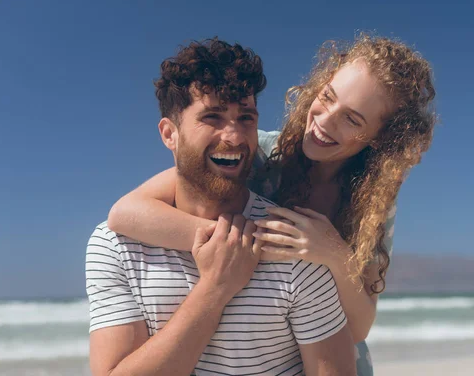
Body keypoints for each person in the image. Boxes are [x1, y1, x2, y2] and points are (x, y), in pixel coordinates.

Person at [108, 34, 437, 375]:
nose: (325, 121)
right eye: (327, 98)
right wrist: (245, 245)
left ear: (381, 139)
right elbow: (126, 213)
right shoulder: (258, 153)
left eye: (352, 120)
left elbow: (360, 327)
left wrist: (333, 253)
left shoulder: (372, 199)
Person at [86, 38, 356, 376]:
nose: (234, 136)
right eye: (212, 116)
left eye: (246, 118)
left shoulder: (291, 241)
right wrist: (215, 288)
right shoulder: (114, 245)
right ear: (170, 134)